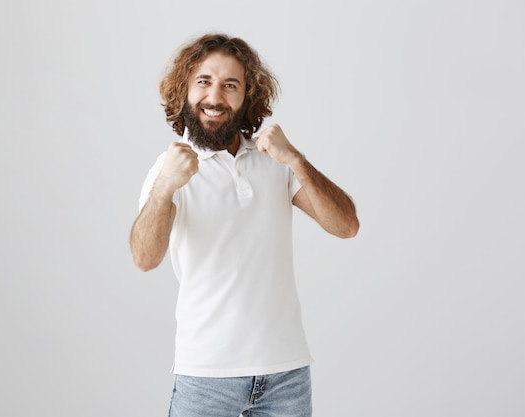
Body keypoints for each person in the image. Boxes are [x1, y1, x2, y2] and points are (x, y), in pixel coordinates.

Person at [130, 33, 359, 417]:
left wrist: (296, 160)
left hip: (286, 375)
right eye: (203, 81)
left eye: (230, 85)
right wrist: (166, 185)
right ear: (184, 91)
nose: (215, 96)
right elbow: (144, 258)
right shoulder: (169, 169)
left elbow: (346, 226)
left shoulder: (275, 161)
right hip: (206, 379)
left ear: (247, 95)